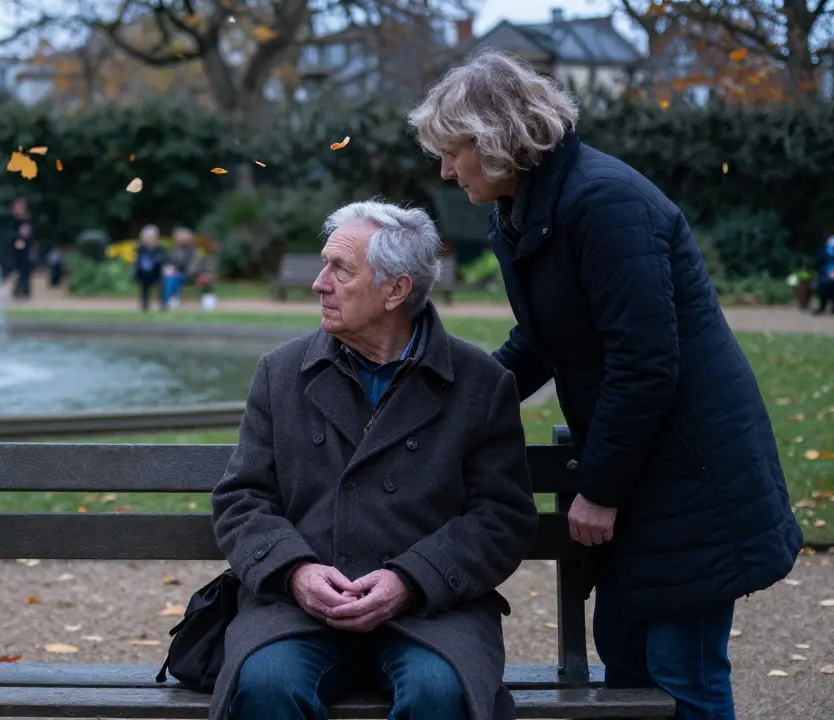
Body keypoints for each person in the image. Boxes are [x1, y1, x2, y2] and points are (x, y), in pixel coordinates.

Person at [408, 49, 803, 720]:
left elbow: (645, 361)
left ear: (499, 140)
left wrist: (599, 489)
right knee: (626, 663)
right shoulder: (527, 212)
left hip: (691, 471)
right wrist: (456, 400)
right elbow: (544, 338)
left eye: (454, 151)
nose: (444, 170)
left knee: (683, 673)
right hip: (646, 466)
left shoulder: (604, 201)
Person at [209, 200, 540, 720]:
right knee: (266, 685)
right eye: (324, 265)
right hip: (299, 610)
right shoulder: (281, 372)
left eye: (340, 269)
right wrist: (295, 572)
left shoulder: (481, 384)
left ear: (395, 291)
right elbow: (241, 497)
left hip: (433, 610)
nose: (319, 282)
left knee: (440, 692)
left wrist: (410, 581)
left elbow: (502, 517)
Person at [161, 226, 199, 309]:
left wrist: (182, 272)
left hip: (188, 275)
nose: (180, 241)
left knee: (173, 278)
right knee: (169, 278)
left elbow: (194, 266)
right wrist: (168, 268)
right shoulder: (174, 250)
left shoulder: (193, 251)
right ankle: (169, 300)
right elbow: (169, 262)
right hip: (174, 274)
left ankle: (167, 300)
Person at [134, 224, 167, 312]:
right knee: (144, 281)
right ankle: (145, 304)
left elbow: (164, 259)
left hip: (157, 272)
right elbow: (139, 262)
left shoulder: (160, 248)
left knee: (161, 282)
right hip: (144, 273)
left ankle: (163, 304)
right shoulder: (141, 249)